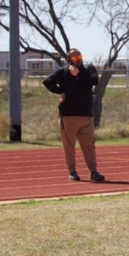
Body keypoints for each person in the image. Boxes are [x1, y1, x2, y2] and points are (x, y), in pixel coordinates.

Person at [42, 49, 105, 182]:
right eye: (75, 58)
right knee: (69, 146)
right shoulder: (63, 72)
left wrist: (78, 74)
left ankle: (93, 172)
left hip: (86, 115)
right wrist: (60, 91)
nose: (79, 59)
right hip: (68, 115)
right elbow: (47, 81)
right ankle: (72, 171)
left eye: (80, 56)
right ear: (69, 60)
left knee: (89, 145)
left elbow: (94, 81)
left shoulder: (88, 69)